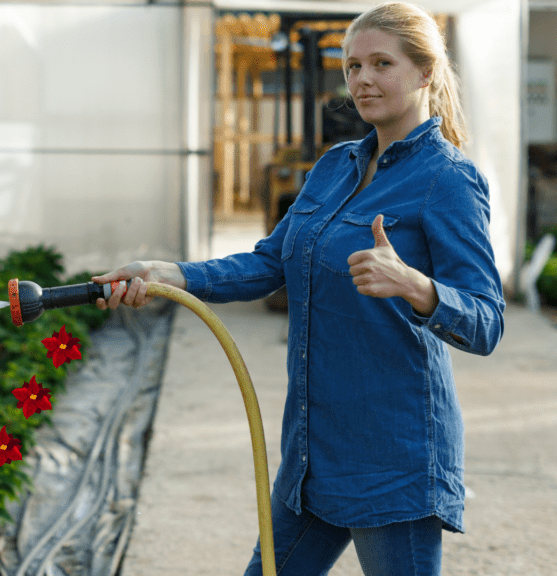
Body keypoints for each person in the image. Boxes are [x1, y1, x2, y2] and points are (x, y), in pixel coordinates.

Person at [91, 3, 505, 575]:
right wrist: (170, 275)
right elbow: (269, 264)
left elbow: (486, 320)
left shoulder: (448, 179)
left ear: (425, 72)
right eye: (353, 65)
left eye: (381, 63)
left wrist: (416, 285)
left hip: (393, 458)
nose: (362, 79)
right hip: (313, 453)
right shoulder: (335, 166)